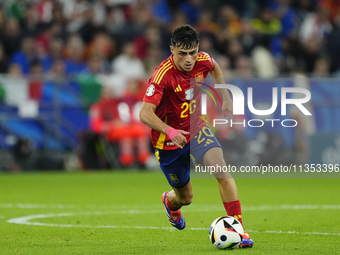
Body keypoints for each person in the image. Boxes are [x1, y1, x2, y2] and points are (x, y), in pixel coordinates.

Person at [139, 24, 253, 248]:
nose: (189, 59)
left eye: (192, 52)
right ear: (172, 50)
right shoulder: (162, 76)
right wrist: (170, 131)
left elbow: (215, 67)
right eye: (182, 54)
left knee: (221, 170)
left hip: (196, 128)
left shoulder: (203, 59)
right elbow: (144, 113)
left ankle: (239, 231)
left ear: (197, 48)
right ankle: (170, 202)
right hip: (168, 142)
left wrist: (225, 96)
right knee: (185, 198)